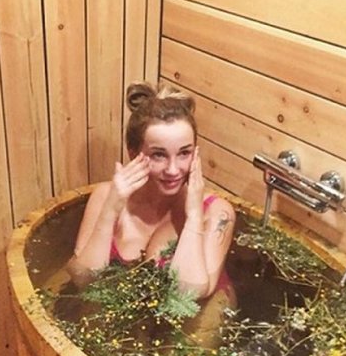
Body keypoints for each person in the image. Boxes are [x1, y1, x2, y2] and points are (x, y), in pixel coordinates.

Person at [67, 81, 236, 299]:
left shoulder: (216, 212)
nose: (173, 170)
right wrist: (110, 211)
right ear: (133, 153)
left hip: (203, 314)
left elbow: (188, 294)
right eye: (159, 155)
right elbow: (82, 280)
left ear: (195, 152)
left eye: (184, 153)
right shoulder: (105, 197)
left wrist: (194, 217)